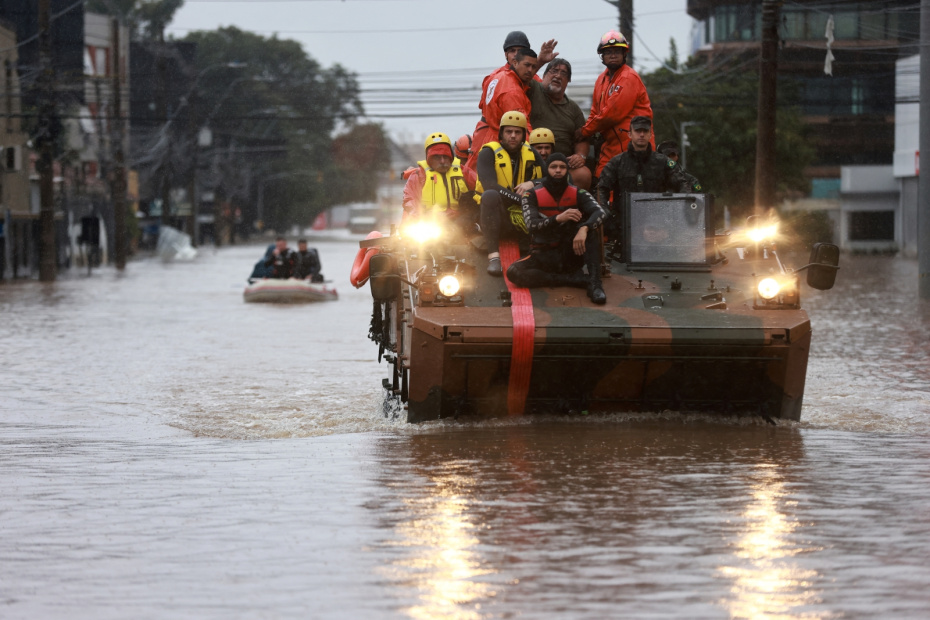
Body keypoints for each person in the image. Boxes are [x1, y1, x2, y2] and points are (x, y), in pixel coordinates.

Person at [507, 153, 607, 304]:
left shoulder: (579, 193)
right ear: (547, 170)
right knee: (513, 272)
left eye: (562, 167)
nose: (558, 170)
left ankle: (595, 284)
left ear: (567, 171)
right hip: (543, 255)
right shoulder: (531, 194)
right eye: (554, 167)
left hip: (571, 256)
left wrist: (584, 228)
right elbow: (531, 225)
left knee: (590, 231)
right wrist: (558, 218)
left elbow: (600, 212)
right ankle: (572, 280)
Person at [469, 32, 557, 168]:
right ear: (506, 54)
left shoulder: (497, 76)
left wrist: (539, 62)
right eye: (512, 51)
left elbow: (531, 81)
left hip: (490, 134)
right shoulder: (511, 89)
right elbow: (521, 125)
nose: (516, 54)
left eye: (520, 51)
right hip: (499, 136)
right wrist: (538, 155)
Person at [475, 110, 545, 276]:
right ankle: (493, 257)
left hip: (524, 217)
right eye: (509, 131)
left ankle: (537, 252)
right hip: (496, 215)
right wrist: (522, 200)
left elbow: (552, 178)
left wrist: (532, 183)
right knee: (490, 195)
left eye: (517, 132)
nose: (513, 136)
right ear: (501, 134)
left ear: (523, 135)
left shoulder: (532, 153)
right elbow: (490, 185)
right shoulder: (488, 153)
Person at [576, 31, 653, 178]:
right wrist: (587, 129)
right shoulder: (601, 80)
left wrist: (584, 132)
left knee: (632, 190)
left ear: (624, 54)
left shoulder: (628, 77)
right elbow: (595, 112)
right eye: (608, 51)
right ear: (602, 56)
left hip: (634, 144)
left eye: (617, 51)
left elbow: (612, 113)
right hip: (610, 144)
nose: (613, 55)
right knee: (602, 179)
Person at [596, 116, 691, 224]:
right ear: (629, 134)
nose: (641, 134)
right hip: (624, 224)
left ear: (650, 134)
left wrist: (680, 208)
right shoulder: (617, 163)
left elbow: (683, 184)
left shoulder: (663, 162)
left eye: (645, 131)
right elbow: (602, 188)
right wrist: (604, 210)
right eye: (637, 131)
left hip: (658, 223)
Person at [467, 47, 540, 171]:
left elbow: (481, 105)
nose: (530, 70)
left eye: (533, 67)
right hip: (499, 144)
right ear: (515, 63)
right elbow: (522, 127)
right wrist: (537, 151)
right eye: (527, 65)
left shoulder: (497, 76)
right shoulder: (512, 92)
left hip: (484, 135)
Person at [527, 58, 592, 190]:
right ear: (544, 75)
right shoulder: (533, 89)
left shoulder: (573, 108)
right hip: (533, 162)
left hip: (561, 168)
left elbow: (582, 138)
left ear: (568, 81)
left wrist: (580, 156)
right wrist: (540, 60)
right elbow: (521, 77)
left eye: (563, 73)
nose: (558, 75)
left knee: (584, 174)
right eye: (554, 71)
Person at [402, 132, 477, 228]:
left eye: (445, 156)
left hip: (461, 224)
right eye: (437, 157)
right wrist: (421, 216)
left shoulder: (464, 172)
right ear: (429, 158)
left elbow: (481, 190)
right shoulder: (418, 176)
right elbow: (409, 200)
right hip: (430, 225)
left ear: (451, 157)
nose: (442, 161)